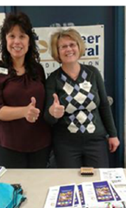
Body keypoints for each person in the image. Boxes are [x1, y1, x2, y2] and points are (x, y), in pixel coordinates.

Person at [0, 12, 51, 168]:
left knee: (39, 187)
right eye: (12, 36)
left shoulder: (37, 69)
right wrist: (24, 111)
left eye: (22, 36)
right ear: (5, 40)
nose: (17, 41)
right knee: (13, 190)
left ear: (29, 41)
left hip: (41, 143)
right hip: (11, 146)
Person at [45, 28, 120, 168]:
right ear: (57, 52)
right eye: (63, 46)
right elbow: (48, 118)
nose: (69, 49)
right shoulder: (53, 79)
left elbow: (104, 105)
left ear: (79, 47)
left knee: (98, 183)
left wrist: (113, 134)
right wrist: (53, 113)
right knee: (70, 184)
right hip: (66, 144)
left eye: (72, 44)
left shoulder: (93, 73)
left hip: (96, 141)